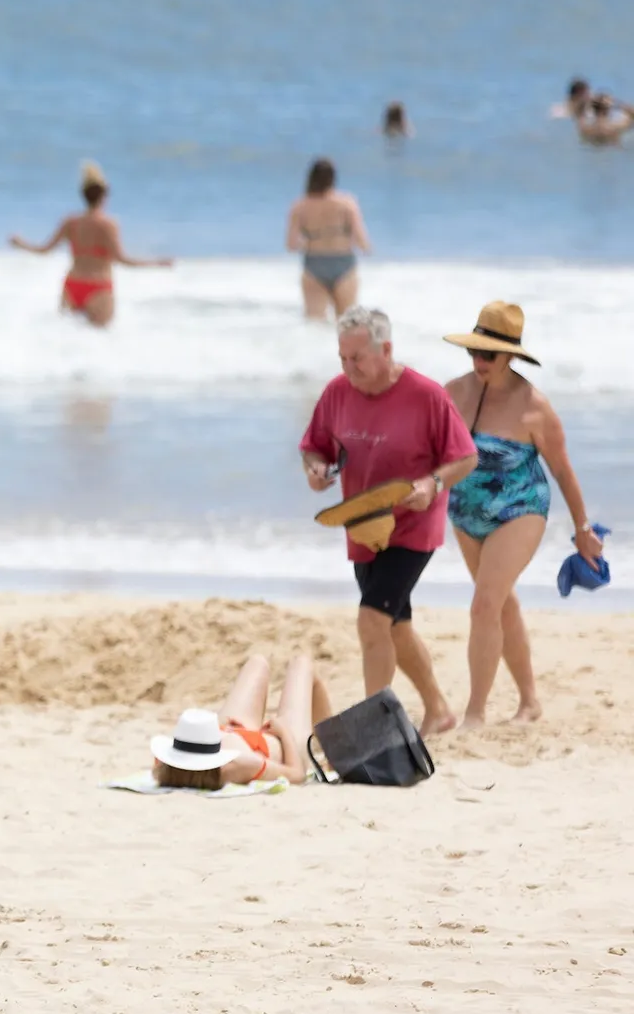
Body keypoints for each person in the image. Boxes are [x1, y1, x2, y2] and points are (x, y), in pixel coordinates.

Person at [299, 306, 478, 736]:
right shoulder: (337, 392)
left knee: (372, 620)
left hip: (413, 527)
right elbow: (314, 446)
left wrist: (433, 483)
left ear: (386, 349)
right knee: (396, 626)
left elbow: (465, 457)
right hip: (362, 525)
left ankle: (374, 727)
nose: (348, 367)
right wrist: (317, 470)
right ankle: (438, 709)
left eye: (356, 358)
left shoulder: (427, 395)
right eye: (341, 358)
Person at [441, 303, 604, 727]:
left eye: (488, 355)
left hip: (520, 509)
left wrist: (582, 529)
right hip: (464, 513)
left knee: (483, 605)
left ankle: (474, 715)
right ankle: (530, 701)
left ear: (510, 356)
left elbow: (563, 472)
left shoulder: (535, 407)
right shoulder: (452, 392)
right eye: (474, 352)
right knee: (500, 605)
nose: (479, 362)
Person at [8, 161, 172, 327]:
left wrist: (21, 243)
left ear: (84, 196)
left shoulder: (70, 222)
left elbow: (44, 250)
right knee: (100, 344)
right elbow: (122, 260)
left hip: (72, 285)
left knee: (65, 341)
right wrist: (157, 262)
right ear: (104, 196)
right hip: (98, 288)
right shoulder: (108, 225)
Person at [149, 655, 332, 789]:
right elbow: (296, 774)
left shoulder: (165, 766)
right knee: (301, 664)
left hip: (229, 731)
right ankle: (334, 757)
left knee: (257, 662)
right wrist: (284, 733)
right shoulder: (239, 765)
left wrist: (225, 731)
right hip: (278, 746)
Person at [285, 157, 373, 320]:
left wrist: (314, 238)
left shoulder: (300, 206)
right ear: (333, 178)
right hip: (343, 263)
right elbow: (361, 240)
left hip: (313, 264)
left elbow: (291, 245)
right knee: (347, 323)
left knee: (314, 323)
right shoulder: (346, 203)